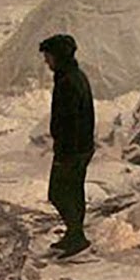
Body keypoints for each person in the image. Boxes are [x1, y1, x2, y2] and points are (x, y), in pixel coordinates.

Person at [40, 34, 95, 258]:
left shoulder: (68, 83)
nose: (46, 61)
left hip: (72, 149)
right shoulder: (73, 76)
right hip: (80, 147)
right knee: (74, 192)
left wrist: (64, 153)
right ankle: (74, 234)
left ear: (58, 57)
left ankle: (77, 235)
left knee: (58, 193)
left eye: (48, 56)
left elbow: (70, 122)